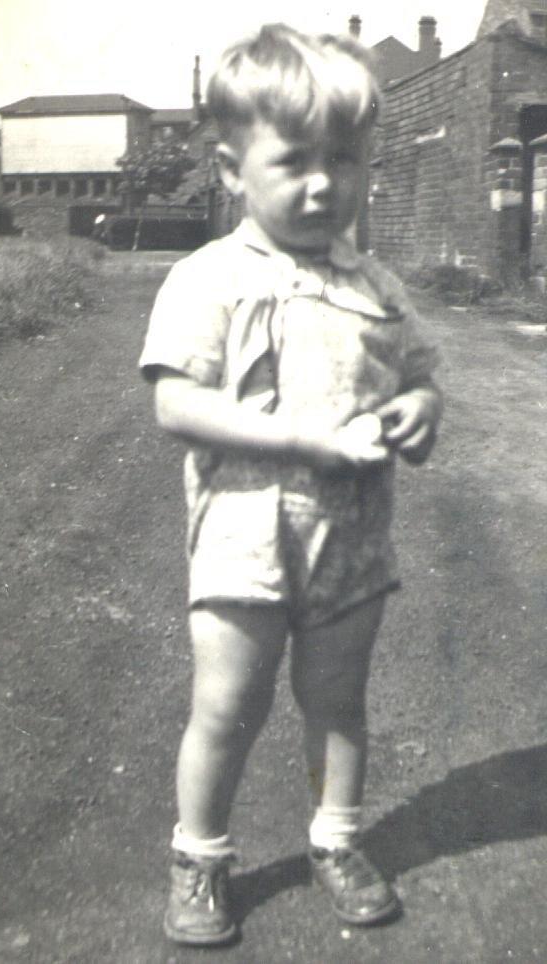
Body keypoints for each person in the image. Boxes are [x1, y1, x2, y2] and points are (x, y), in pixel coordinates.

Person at [139, 22, 442, 947]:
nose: (325, 184)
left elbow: (421, 375)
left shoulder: (376, 285)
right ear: (232, 169)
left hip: (350, 538)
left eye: (344, 160)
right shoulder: (212, 279)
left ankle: (337, 840)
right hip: (242, 536)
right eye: (296, 160)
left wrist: (422, 406)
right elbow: (176, 405)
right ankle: (200, 856)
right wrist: (300, 435)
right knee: (227, 708)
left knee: (339, 702)